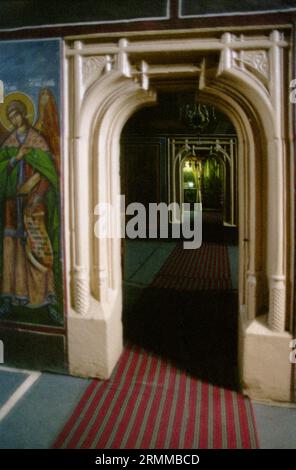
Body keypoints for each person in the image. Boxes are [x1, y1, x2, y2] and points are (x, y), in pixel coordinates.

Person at [0, 99, 61, 323]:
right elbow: (2, 168)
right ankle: (12, 297)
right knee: (13, 249)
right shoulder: (10, 142)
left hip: (33, 206)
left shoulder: (37, 140)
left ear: (24, 115)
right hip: (11, 208)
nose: (15, 119)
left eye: (18, 115)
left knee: (38, 248)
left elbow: (48, 172)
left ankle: (44, 298)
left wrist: (38, 192)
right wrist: (15, 158)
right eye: (11, 116)